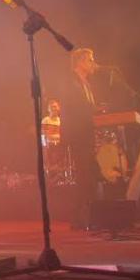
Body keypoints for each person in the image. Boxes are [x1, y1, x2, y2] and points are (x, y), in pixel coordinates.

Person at [60, 48, 100, 230]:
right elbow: (72, 107)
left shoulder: (87, 84)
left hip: (87, 132)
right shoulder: (70, 81)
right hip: (78, 134)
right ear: (81, 62)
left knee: (89, 174)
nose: (93, 64)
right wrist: (91, 111)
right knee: (84, 174)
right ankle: (78, 217)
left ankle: (87, 216)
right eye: (90, 60)